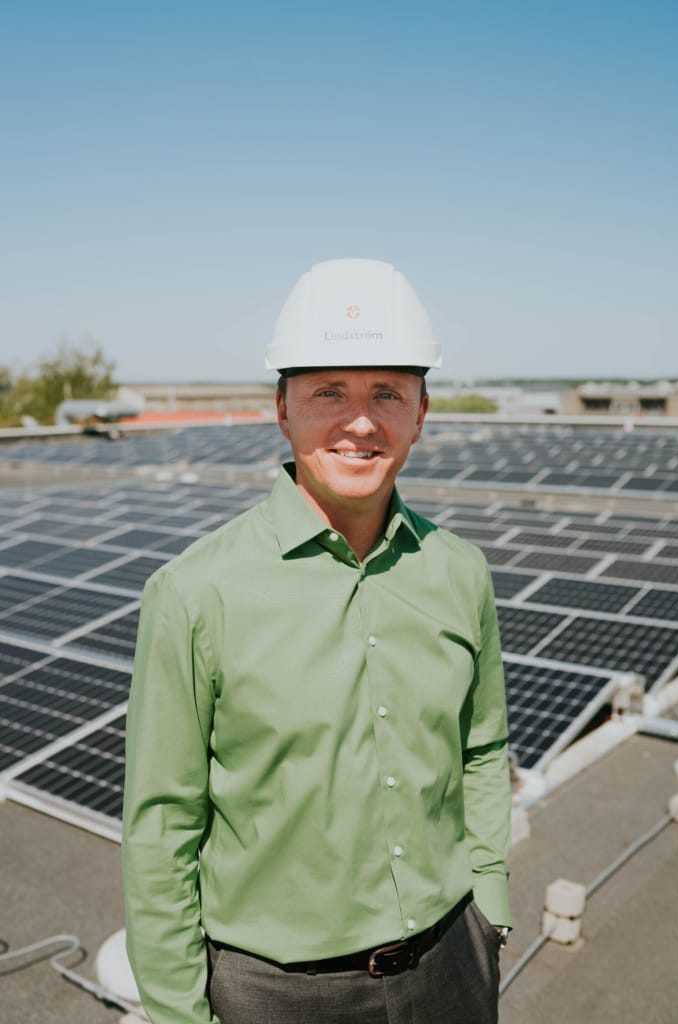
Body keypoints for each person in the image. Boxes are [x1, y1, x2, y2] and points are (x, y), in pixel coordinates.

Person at [122, 258, 512, 1024]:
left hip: (452, 964)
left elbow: (483, 749)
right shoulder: (196, 593)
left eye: (386, 394)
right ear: (282, 409)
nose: (360, 421)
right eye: (328, 391)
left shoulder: (458, 572)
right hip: (275, 994)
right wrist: (177, 1013)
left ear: (421, 411)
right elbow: (161, 828)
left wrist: (488, 906)